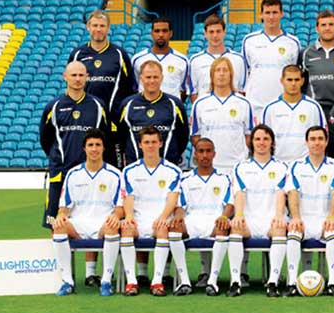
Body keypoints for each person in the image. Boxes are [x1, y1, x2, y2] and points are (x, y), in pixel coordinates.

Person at [40, 61, 111, 286]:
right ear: (65, 77)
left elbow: (105, 136)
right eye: (74, 75)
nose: (78, 79)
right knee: (56, 222)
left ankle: (91, 273)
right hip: (60, 175)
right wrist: (59, 159)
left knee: (91, 217)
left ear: (87, 77)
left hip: (90, 174)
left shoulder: (98, 106)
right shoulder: (54, 106)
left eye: (81, 75)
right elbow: (46, 139)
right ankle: (64, 275)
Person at [51, 129, 123, 296]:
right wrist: (61, 215)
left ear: (104, 148)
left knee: (112, 227)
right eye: (90, 145)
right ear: (84, 148)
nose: (94, 149)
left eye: (98, 145)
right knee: (59, 227)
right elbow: (65, 206)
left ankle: (106, 281)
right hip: (80, 223)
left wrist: (116, 216)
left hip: (102, 224)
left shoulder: (115, 174)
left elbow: (120, 207)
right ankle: (67, 281)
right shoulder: (73, 174)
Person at [118, 127, 183, 296]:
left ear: (160, 143)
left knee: (162, 228)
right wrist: (130, 216)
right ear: (140, 145)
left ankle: (157, 282)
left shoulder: (173, 170)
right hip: (139, 219)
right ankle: (131, 282)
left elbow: (173, 198)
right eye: (146, 142)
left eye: (154, 142)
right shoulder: (129, 171)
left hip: (160, 218)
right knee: (126, 228)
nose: (150, 146)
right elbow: (128, 196)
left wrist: (162, 217)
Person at [284, 126, 334, 296]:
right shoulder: (295, 166)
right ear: (307, 142)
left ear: (326, 142)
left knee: (332, 229)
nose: (316, 143)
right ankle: (291, 283)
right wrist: (296, 218)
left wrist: (332, 217)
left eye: (320, 139)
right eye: (312, 139)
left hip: (325, 217)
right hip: (304, 218)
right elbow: (292, 193)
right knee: (294, 231)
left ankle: (332, 283)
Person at [230, 124, 291, 297]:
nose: (261, 142)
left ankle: (272, 282)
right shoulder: (240, 167)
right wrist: (239, 215)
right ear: (251, 142)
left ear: (272, 142)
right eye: (257, 139)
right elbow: (239, 194)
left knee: (280, 228)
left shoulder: (282, 167)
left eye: (266, 139)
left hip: (271, 219)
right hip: (250, 220)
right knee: (235, 227)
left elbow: (281, 193)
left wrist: (279, 215)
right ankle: (236, 281)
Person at [169, 138, 234, 296]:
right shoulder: (185, 178)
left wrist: (224, 217)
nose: (205, 155)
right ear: (195, 155)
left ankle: (212, 281)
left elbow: (230, 205)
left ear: (214, 154)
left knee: (222, 227)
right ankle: (185, 282)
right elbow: (180, 206)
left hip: (214, 219)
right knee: (174, 227)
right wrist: (178, 217)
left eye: (208, 151)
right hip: (192, 219)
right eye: (201, 151)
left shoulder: (224, 178)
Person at [114, 60, 189, 166]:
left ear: (162, 78)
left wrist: (172, 156)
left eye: (155, 77)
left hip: (167, 168)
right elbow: (120, 136)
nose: (152, 81)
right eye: (148, 77)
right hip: (135, 168)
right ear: (141, 78)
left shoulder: (175, 104)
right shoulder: (127, 104)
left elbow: (183, 137)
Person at [190, 57, 255, 174]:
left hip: (236, 166)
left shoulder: (244, 103)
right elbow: (195, 137)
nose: (221, 74)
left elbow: (249, 136)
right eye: (218, 70)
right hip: (211, 167)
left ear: (231, 75)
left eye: (225, 70)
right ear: (212, 75)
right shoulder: (200, 103)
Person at [241, 0, 301, 118]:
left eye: (275, 12)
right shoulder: (249, 41)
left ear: (281, 14)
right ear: (261, 15)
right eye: (267, 12)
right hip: (255, 105)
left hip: (283, 104)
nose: (271, 17)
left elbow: (294, 74)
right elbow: (244, 73)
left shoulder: (293, 42)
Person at [68, 9, 135, 115]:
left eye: (102, 26)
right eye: (95, 25)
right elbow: (70, 85)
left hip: (112, 118)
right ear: (88, 27)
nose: (98, 29)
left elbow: (130, 87)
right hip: (84, 115)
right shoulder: (77, 54)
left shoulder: (120, 55)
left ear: (108, 28)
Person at [261, 65, 327, 163]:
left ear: (302, 81)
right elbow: (263, 138)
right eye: (289, 80)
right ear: (282, 81)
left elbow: (324, 137)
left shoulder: (313, 107)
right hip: (278, 163)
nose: (293, 83)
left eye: (297, 80)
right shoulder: (270, 108)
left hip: (305, 165)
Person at [300, 10, 334, 119]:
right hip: (313, 110)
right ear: (317, 29)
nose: (327, 28)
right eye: (323, 25)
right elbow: (301, 84)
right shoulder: (305, 53)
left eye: (331, 24)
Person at [187, 14, 246, 103]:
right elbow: (193, 92)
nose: (215, 35)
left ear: (224, 32)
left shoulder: (239, 60)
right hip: (206, 111)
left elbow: (242, 90)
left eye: (218, 31)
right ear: (205, 34)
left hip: (232, 111)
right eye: (211, 32)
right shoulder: (195, 61)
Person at [131, 17, 188, 100]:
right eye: (157, 31)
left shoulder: (182, 60)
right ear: (151, 34)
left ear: (170, 33)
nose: (161, 35)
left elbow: (184, 90)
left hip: (170, 110)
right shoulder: (137, 59)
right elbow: (134, 87)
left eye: (164, 31)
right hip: (144, 109)